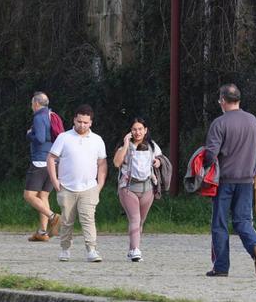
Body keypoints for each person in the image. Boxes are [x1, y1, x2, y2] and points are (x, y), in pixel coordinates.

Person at [203, 84, 256, 277]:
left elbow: (211, 154)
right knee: (243, 221)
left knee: (220, 223)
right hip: (247, 180)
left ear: (223, 100)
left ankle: (221, 267)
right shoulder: (253, 121)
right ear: (239, 99)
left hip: (224, 180)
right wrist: (253, 172)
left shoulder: (219, 123)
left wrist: (205, 166)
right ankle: (255, 246)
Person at [47, 104, 107, 262]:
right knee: (67, 220)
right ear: (74, 120)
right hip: (66, 186)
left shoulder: (97, 140)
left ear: (91, 123)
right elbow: (51, 158)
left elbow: (102, 163)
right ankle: (65, 248)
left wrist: (99, 184)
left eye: (86, 122)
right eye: (79, 121)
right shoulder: (64, 137)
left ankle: (91, 249)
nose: (82, 125)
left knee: (88, 219)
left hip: (89, 187)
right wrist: (54, 181)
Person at [112, 117, 161, 262]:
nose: (137, 132)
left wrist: (157, 162)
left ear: (145, 130)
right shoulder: (124, 146)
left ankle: (132, 248)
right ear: (130, 131)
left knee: (140, 221)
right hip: (128, 187)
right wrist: (126, 144)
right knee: (135, 218)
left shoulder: (152, 146)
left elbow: (160, 159)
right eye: (134, 129)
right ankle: (135, 250)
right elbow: (116, 163)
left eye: (140, 129)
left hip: (147, 187)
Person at [24, 92, 60, 242]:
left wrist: (29, 134)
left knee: (29, 196)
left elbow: (39, 138)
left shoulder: (39, 117)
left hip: (40, 161)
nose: (32, 106)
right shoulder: (52, 115)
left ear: (36, 104)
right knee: (43, 196)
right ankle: (42, 232)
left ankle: (54, 217)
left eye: (32, 103)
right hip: (53, 160)